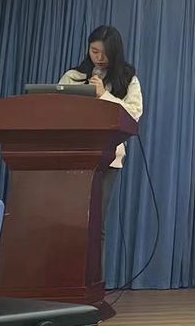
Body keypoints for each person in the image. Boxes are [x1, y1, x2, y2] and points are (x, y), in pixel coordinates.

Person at [59, 25, 143, 223]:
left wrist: (104, 95)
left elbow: (133, 114)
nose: (99, 58)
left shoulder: (128, 80)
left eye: (105, 53)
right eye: (94, 51)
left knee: (96, 222)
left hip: (109, 157)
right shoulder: (73, 76)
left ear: (115, 52)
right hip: (72, 153)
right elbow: (57, 110)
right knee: (68, 219)